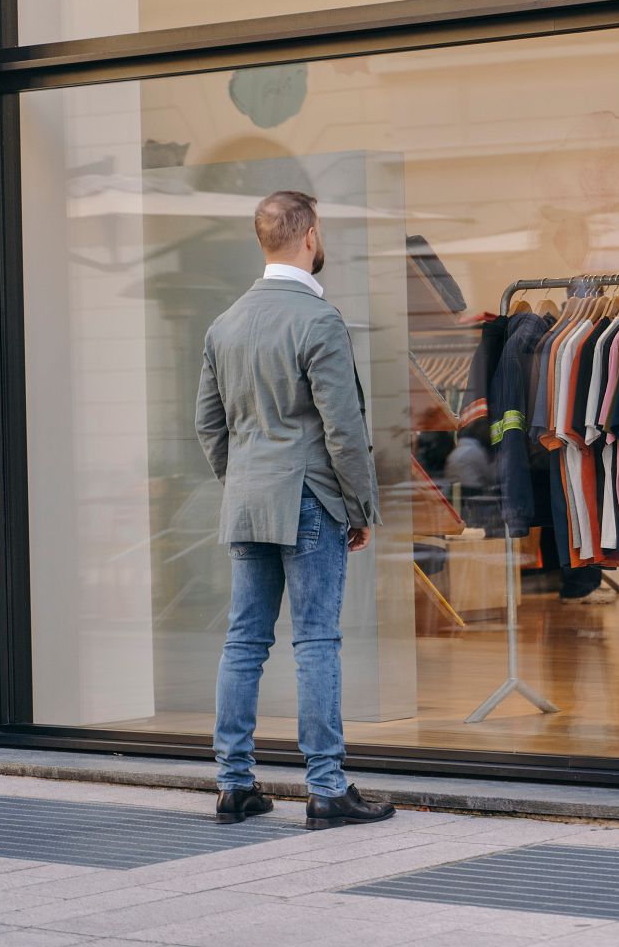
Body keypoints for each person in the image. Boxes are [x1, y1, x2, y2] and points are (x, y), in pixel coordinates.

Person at [195, 190, 396, 830]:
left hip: (248, 500)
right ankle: (327, 789)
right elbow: (344, 428)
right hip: (310, 497)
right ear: (308, 237)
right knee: (316, 641)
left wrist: (243, 480)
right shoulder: (318, 319)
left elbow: (208, 425)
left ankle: (233, 785)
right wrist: (360, 506)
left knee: (244, 639)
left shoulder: (224, 323)